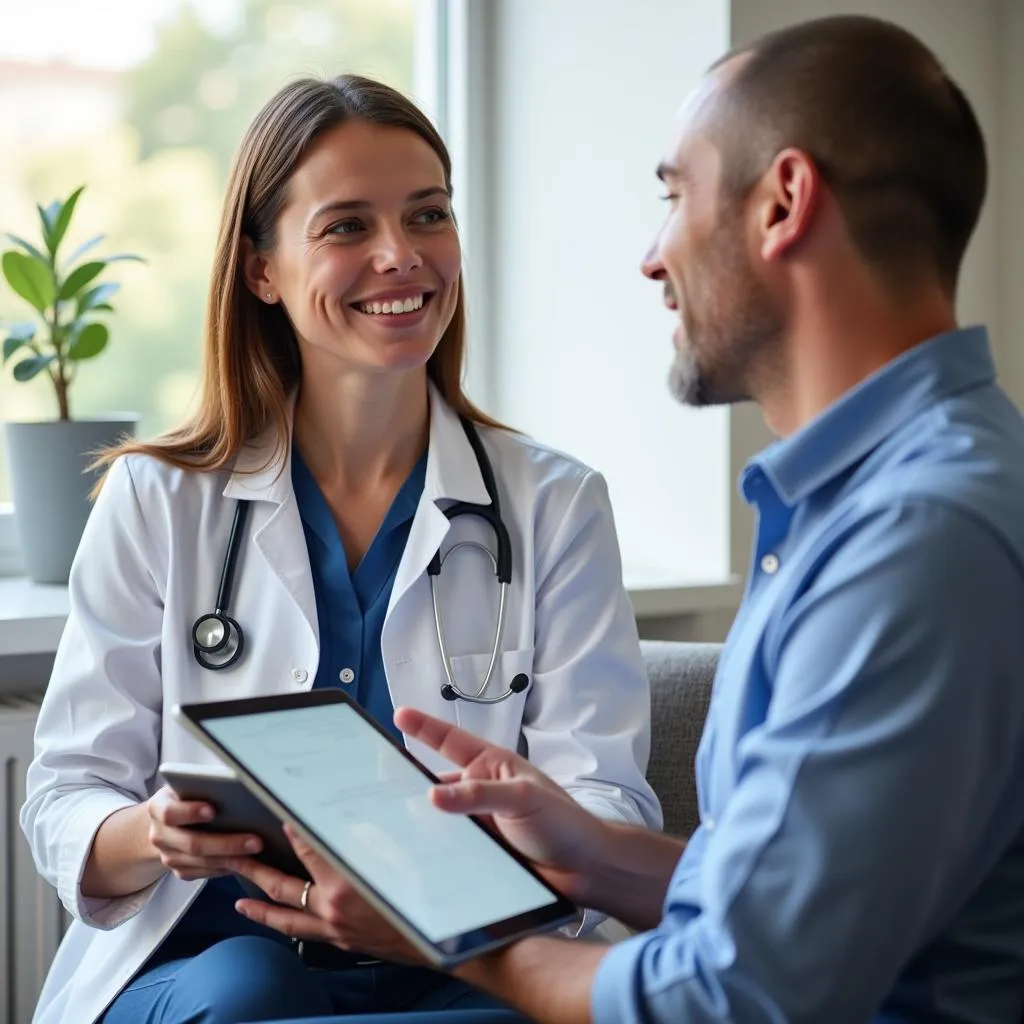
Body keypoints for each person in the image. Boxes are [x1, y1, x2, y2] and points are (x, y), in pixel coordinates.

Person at [225, 15, 1024, 1024]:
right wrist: (590, 853)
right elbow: (797, 899)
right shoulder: (877, 502)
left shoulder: (916, 540)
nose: (651, 258)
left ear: (782, 205)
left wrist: (449, 922)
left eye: (673, 195)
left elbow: (732, 991)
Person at [20, 74, 662, 1024]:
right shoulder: (159, 499)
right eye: (346, 226)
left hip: (466, 962)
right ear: (261, 271)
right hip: (211, 960)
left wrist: (452, 872)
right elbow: (67, 796)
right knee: (245, 993)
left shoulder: (555, 504)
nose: (401, 257)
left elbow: (606, 804)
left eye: (428, 215)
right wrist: (155, 832)